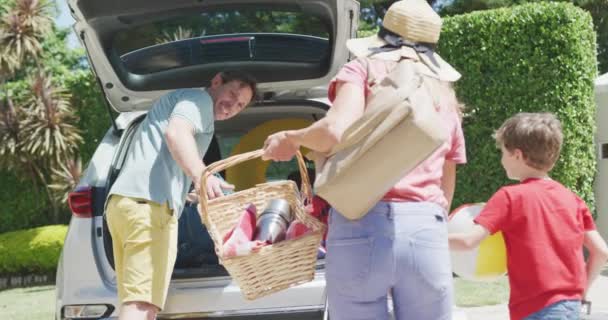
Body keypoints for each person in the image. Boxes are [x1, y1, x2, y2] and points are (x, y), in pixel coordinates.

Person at [262, 1, 465, 319]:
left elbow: (333, 131)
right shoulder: (444, 93)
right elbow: (447, 175)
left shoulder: (363, 69)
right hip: (427, 228)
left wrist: (292, 139)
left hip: (360, 222)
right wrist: (429, 222)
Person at [105, 70, 257, 320]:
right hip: (150, 208)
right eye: (232, 93)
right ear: (216, 81)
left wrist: (192, 191)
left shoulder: (185, 103)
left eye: (241, 104)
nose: (233, 105)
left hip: (125, 204)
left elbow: (167, 161)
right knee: (141, 306)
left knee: (139, 303)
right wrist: (201, 176)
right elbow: (176, 133)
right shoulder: (198, 101)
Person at [448, 112, 608, 320]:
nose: (502, 159)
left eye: (503, 152)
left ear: (517, 155)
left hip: (535, 310)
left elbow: (469, 241)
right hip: (570, 308)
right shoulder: (572, 200)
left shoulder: (509, 197)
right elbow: (601, 252)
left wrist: (426, 237)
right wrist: (582, 292)